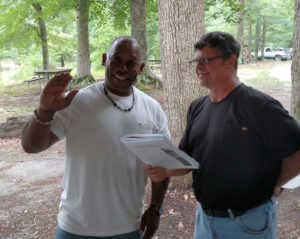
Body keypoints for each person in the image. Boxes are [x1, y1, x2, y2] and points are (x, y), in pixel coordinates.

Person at [144, 31, 300, 239]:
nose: (198, 68)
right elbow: (188, 160)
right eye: (196, 62)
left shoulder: (260, 106)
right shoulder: (197, 107)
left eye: (206, 61)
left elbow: (297, 152)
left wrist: (276, 184)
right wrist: (165, 170)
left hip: (248, 223)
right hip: (205, 221)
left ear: (230, 61)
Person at [21, 36, 170, 239]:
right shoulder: (76, 101)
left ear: (141, 67)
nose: (123, 68)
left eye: (131, 63)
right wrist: (45, 111)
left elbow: (162, 163)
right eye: (116, 59)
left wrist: (156, 208)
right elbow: (31, 146)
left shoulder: (152, 109)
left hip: (128, 226)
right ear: (104, 59)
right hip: (75, 227)